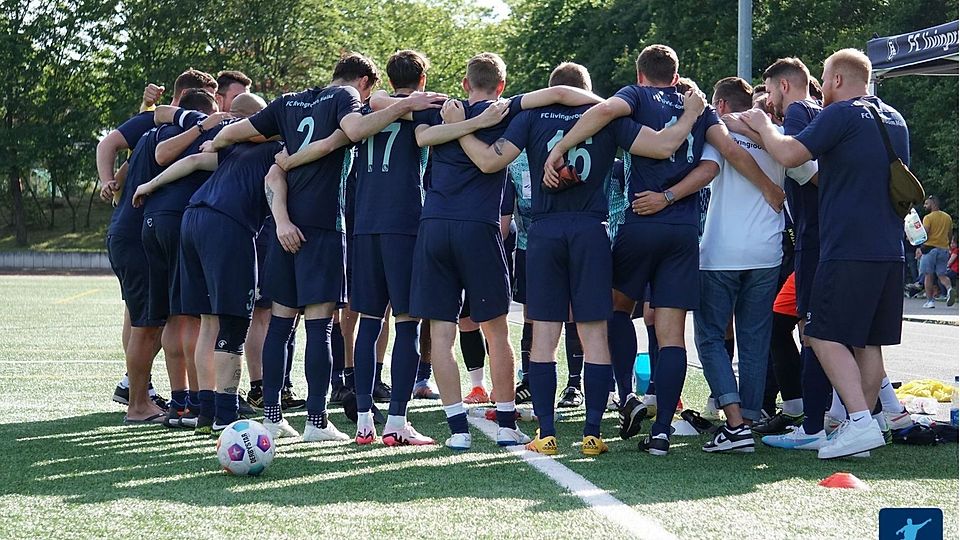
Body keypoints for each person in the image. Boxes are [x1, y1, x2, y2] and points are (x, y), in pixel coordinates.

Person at [452, 61, 705, 455]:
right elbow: (660, 146)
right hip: (592, 231)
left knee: (544, 336)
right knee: (593, 335)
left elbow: (490, 161)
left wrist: (463, 130)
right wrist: (689, 114)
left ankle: (547, 433)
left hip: (545, 232)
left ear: (553, 88)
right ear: (587, 90)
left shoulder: (533, 115)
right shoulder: (604, 115)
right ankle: (592, 434)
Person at [542, 44, 783, 456]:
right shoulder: (700, 106)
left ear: (640, 75)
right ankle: (663, 433)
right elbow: (727, 154)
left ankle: (628, 396)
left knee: (615, 309)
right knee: (671, 334)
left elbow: (601, 113)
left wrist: (561, 147)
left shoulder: (634, 98)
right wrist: (768, 187)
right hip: (683, 231)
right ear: (676, 76)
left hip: (641, 220)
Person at [206, 53, 445, 441]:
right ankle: (316, 421)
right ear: (364, 82)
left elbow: (240, 143)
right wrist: (405, 104)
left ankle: (271, 417)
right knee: (320, 328)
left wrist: (224, 141)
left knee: (281, 326)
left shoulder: (287, 101)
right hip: (324, 228)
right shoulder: (346, 99)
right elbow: (354, 129)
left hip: (285, 228)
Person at [402, 52, 616, 450]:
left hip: (433, 227)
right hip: (480, 229)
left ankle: (458, 432)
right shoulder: (508, 109)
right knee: (497, 332)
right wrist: (610, 105)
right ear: (501, 85)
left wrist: (460, 123)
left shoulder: (443, 107)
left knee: (441, 332)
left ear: (465, 84)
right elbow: (562, 92)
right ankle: (505, 424)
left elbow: (418, 135)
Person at [741, 48, 909, 459]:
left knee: (820, 332)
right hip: (889, 248)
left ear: (835, 79)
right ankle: (860, 428)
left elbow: (788, 154)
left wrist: (763, 125)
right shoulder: (895, 117)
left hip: (848, 246)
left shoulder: (842, 114)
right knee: (868, 342)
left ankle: (859, 422)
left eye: (824, 78)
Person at [286, 49, 437, 446]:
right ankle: (398, 421)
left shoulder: (369, 108)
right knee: (406, 323)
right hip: (404, 224)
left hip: (363, 226)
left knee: (369, 323)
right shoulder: (421, 108)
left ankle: (365, 419)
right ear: (422, 81)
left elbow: (376, 109)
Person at [695, 77, 817, 454]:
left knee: (711, 336)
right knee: (755, 338)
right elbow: (812, 176)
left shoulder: (716, 131)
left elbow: (712, 168)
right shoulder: (776, 135)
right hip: (766, 253)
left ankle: (733, 423)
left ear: (721, 104)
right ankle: (746, 420)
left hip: (720, 252)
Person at [102, 71, 219, 424]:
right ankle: (138, 403)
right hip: (138, 237)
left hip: (131, 233)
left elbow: (124, 172)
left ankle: (161, 398)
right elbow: (163, 155)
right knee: (146, 325)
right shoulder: (173, 135)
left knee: (155, 320)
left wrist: (112, 182)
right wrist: (203, 128)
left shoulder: (149, 135)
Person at [749, 57, 836, 452]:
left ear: (784, 86)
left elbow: (802, 166)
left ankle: (815, 421)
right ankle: (866, 412)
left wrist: (759, 129)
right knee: (834, 332)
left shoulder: (800, 109)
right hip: (830, 236)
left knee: (812, 329)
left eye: (768, 91)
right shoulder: (825, 110)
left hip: (814, 239)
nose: (768, 100)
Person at [917, 195, 955, 308]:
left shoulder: (928, 218)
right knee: (942, 275)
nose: (925, 206)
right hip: (943, 249)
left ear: (933, 204)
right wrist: (947, 245)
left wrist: (919, 246)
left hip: (930, 249)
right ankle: (949, 289)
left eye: (926, 204)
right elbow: (949, 233)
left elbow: (925, 233)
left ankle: (930, 301)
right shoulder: (947, 217)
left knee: (928, 276)